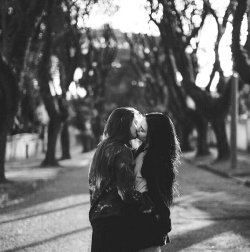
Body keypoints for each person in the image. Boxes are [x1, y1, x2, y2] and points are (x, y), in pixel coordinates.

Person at [88, 107, 154, 252]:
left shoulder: (102, 147)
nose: (138, 127)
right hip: (115, 221)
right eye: (135, 122)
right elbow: (126, 193)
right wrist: (149, 203)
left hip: (98, 217)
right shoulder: (121, 150)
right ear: (124, 124)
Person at [131, 112, 180, 252]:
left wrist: (164, 218)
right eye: (138, 127)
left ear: (154, 134)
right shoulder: (143, 149)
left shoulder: (154, 158)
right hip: (141, 211)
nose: (137, 131)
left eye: (142, 130)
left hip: (148, 215)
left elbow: (157, 191)